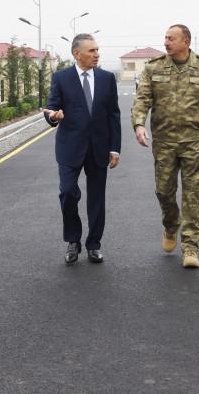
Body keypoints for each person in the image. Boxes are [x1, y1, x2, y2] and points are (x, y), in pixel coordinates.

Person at [131, 24, 199, 269]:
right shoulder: (154, 68)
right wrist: (139, 124)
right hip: (164, 142)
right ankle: (171, 225)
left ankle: (190, 247)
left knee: (191, 193)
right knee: (164, 190)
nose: (166, 42)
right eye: (165, 38)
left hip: (194, 142)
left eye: (171, 38)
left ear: (186, 42)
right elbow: (142, 100)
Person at [42, 34, 121, 265]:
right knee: (67, 193)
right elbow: (51, 108)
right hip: (70, 148)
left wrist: (115, 148)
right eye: (92, 51)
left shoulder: (107, 78)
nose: (97, 54)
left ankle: (94, 244)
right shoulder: (61, 78)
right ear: (77, 54)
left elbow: (113, 115)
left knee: (97, 199)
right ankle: (72, 240)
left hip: (99, 147)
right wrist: (54, 117)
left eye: (98, 50)